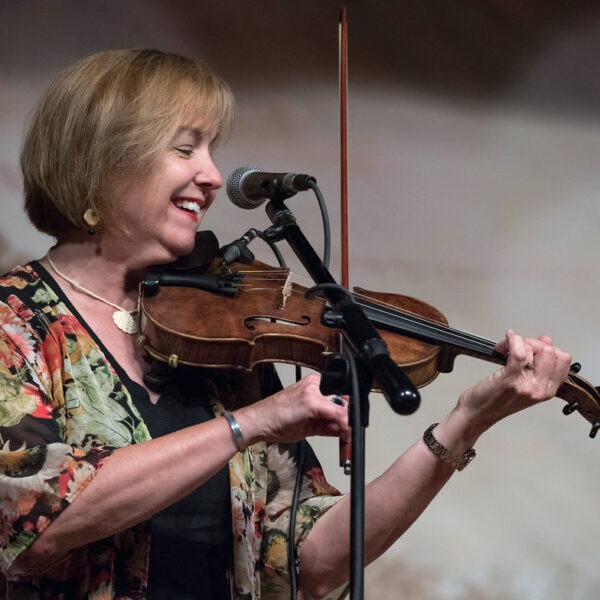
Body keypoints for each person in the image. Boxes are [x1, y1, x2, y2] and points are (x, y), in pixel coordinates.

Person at [0, 49, 571, 600]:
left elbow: (308, 566)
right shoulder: (15, 321)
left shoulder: (214, 335)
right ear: (101, 161)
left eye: (212, 150)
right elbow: (35, 523)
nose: (214, 176)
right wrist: (254, 423)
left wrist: (466, 422)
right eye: (184, 149)